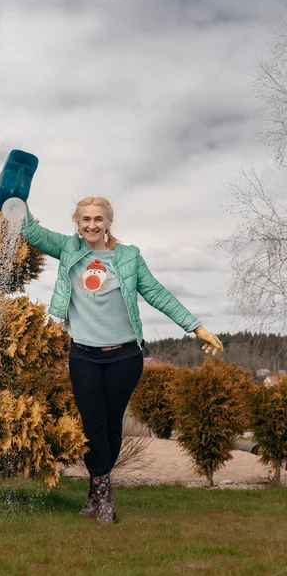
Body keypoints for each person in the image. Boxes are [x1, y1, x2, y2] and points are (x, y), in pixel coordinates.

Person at [18, 195, 223, 524]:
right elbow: (31, 231)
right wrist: (19, 196)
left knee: (112, 427)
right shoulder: (69, 248)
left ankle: (96, 494)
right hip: (83, 353)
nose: (91, 225)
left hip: (125, 355)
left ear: (108, 222)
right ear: (77, 222)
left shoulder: (128, 257)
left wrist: (194, 326)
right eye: (85, 219)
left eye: (98, 219)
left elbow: (155, 292)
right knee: (93, 425)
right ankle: (104, 494)